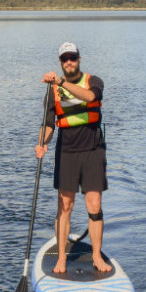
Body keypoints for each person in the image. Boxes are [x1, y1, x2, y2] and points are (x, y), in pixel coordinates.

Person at [34, 42, 110, 274]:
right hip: (66, 151)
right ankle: (61, 258)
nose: (69, 62)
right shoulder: (52, 91)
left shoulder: (93, 81)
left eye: (73, 57)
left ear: (79, 59)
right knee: (65, 205)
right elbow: (48, 125)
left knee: (94, 205)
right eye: (65, 58)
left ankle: (97, 256)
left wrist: (60, 82)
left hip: (92, 150)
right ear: (60, 62)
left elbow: (89, 97)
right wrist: (41, 143)